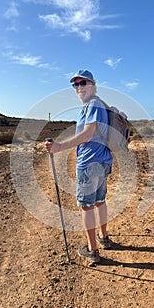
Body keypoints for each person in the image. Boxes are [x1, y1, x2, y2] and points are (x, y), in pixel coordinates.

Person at [44, 70, 113, 264]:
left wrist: (59, 146)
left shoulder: (93, 105)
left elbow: (88, 134)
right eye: (76, 84)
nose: (79, 87)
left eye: (83, 83)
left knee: (86, 206)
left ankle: (92, 250)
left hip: (89, 163)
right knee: (100, 201)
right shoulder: (96, 105)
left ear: (93, 84)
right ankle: (104, 237)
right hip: (102, 161)